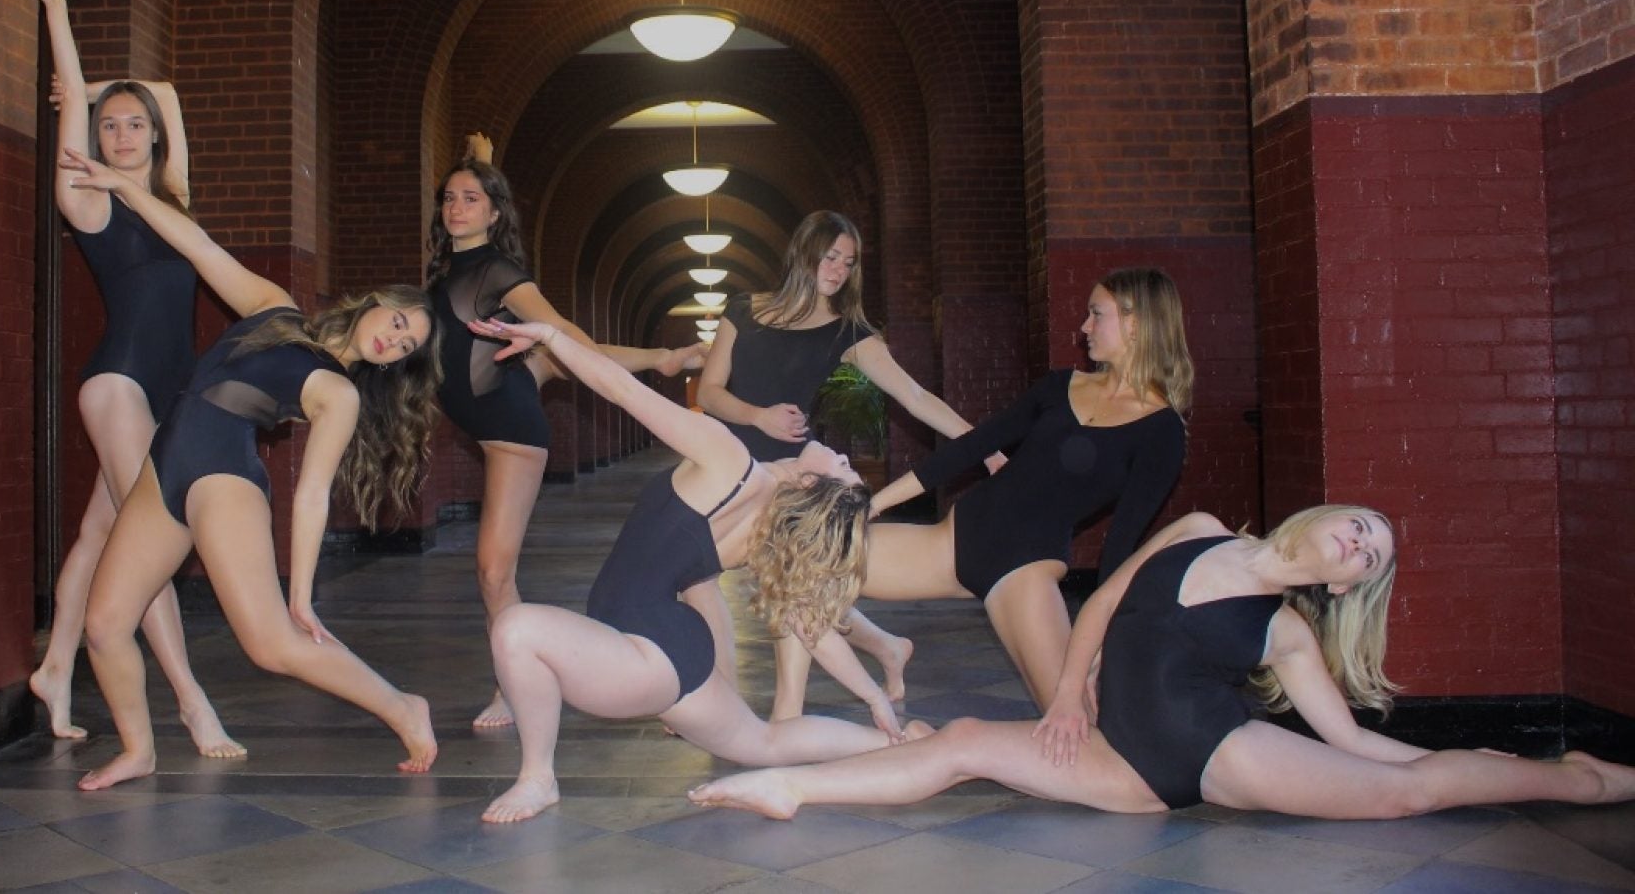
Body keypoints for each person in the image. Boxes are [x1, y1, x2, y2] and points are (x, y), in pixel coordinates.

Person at [690, 505, 1635, 820]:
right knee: (971, 738)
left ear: (1348, 587)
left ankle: (1572, 779)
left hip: (1208, 754)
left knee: (1407, 790)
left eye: (1371, 555)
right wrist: (1065, 698)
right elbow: (1099, 601)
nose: (1360, 541)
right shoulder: (1198, 530)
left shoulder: (1289, 632)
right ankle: (793, 789)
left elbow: (1343, 733)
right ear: (1329, 512)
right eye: (1363, 524)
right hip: (1117, 750)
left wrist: (1421, 758)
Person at [53, 158, 442, 789]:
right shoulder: (274, 309)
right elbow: (199, 245)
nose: (393, 342)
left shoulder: (338, 395)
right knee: (103, 625)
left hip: (221, 478)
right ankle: (139, 750)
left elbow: (312, 493)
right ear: (377, 304)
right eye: (397, 324)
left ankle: (403, 707)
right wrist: (128, 188)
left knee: (271, 645)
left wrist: (301, 593)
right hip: (165, 467)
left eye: (406, 348)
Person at [467, 315, 934, 824]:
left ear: (807, 487)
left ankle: (538, 778)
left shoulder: (730, 462)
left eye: (841, 470)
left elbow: (625, 392)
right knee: (763, 741)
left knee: (516, 628)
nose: (845, 456)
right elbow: (808, 626)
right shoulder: (768, 531)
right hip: (672, 645)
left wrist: (553, 338)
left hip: (649, 651)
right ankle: (895, 744)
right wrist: (873, 701)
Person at [8, 0, 239, 757]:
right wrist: (60, 18)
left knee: (101, 535)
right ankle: (190, 701)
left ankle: (56, 665)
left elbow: (167, 93)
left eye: (134, 122)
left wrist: (120, 89)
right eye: (111, 125)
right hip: (118, 386)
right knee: (151, 537)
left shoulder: (172, 195)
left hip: (167, 388)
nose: (125, 129)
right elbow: (80, 109)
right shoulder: (88, 197)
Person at [428, 136, 704, 729]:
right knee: (547, 359)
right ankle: (661, 359)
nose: (456, 207)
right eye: (449, 198)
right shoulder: (446, 269)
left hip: (509, 428)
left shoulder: (498, 269)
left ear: (494, 213)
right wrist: (483, 156)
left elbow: (558, 327)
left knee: (492, 570)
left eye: (471, 198)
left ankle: (514, 681)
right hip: (494, 403)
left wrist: (571, 352)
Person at [822, 267, 1191, 712]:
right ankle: (806, 706)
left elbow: (1122, 544)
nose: (1084, 327)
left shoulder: (1162, 431)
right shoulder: (1060, 385)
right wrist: (873, 505)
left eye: (1097, 314)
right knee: (817, 562)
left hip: (1023, 572)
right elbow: (973, 445)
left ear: (1135, 324)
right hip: (955, 541)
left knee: (1071, 718)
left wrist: (1098, 647)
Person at [697, 209, 999, 719]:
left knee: (786, 585)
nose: (839, 269)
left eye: (849, 262)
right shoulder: (742, 310)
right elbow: (708, 392)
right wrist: (758, 416)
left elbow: (916, 395)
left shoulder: (848, 332)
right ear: (804, 252)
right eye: (832, 256)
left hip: (795, 479)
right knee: (720, 575)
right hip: (731, 470)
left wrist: (983, 445)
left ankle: (777, 712)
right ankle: (884, 646)